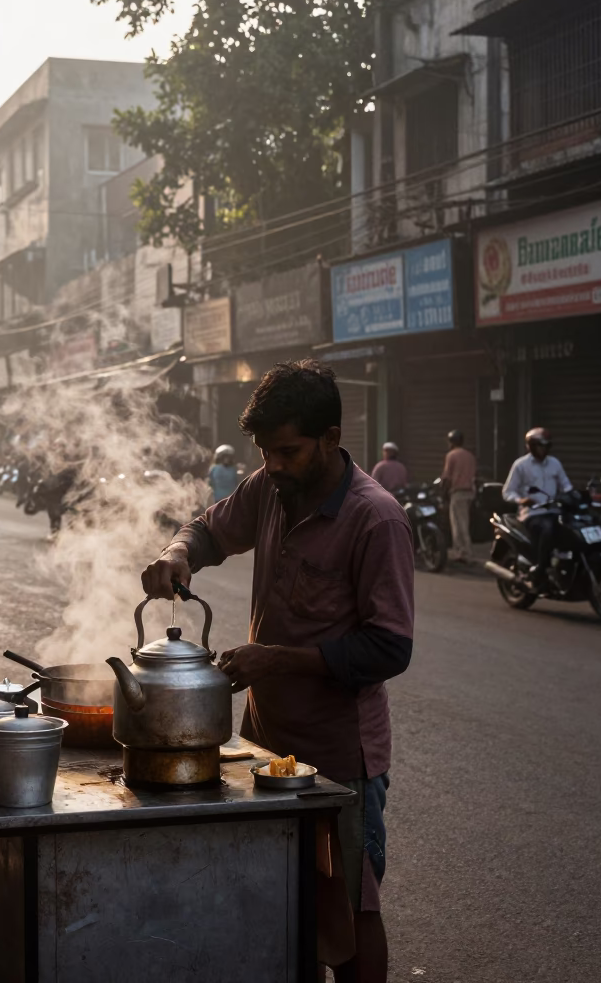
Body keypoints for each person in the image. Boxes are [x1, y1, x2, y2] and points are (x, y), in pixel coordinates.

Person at [141, 361, 413, 983]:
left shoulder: (377, 519)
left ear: (331, 437)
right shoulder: (269, 487)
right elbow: (209, 529)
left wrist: (274, 660)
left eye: (288, 451)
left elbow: (389, 649)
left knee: (350, 909)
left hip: (340, 756)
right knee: (279, 900)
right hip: (265, 744)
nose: (277, 464)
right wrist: (177, 552)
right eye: (266, 452)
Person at [502, 427, 572, 585]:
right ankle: (541, 567)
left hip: (554, 510)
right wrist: (521, 500)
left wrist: (572, 496)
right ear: (531, 446)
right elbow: (507, 492)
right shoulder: (520, 465)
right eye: (540, 445)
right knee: (548, 528)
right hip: (532, 514)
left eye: (546, 446)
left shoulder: (555, 463)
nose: (543, 449)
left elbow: (566, 486)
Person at [442, 430, 477, 564]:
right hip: (470, 492)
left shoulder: (451, 455)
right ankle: (463, 551)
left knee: (459, 523)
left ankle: (464, 553)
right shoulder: (470, 456)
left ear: (452, 442)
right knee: (464, 522)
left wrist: (443, 492)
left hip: (458, 493)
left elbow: (447, 477)